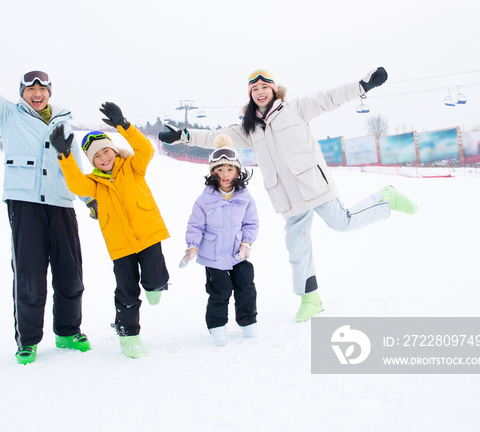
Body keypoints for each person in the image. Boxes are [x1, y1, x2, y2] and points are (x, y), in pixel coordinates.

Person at [159, 68, 417, 323]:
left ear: (274, 90)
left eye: (264, 88)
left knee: (342, 222)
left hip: (312, 184)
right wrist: (184, 135)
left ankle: (386, 199)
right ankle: (311, 299)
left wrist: (362, 85)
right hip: (286, 196)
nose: (260, 92)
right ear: (251, 96)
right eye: (255, 90)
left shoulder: (295, 109)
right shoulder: (249, 129)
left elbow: (329, 98)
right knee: (297, 248)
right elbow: (218, 137)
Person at [0, 23, 97, 364]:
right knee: (29, 273)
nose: (36, 93)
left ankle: (68, 331)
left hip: (61, 203)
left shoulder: (64, 121)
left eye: (42, 89)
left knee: (71, 270)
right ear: (22, 93)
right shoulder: (8, 115)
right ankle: (28, 340)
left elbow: (77, 165)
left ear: (50, 93)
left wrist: (89, 199)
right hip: (24, 204)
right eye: (30, 88)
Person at [50, 102, 170, 359]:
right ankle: (129, 334)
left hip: (148, 235)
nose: (104, 158)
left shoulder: (133, 168)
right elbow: (75, 184)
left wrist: (123, 125)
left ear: (114, 151)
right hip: (120, 245)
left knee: (157, 278)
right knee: (126, 291)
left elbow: (145, 148)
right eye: (97, 156)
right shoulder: (94, 183)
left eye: (107, 151)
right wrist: (65, 157)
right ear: (92, 162)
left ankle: (155, 286)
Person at [180, 135, 260, 346]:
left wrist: (246, 243)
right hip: (213, 256)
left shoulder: (245, 197)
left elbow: (251, 224)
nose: (225, 174)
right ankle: (217, 325)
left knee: (246, 286)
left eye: (230, 169)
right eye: (220, 169)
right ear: (212, 172)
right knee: (220, 290)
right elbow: (195, 225)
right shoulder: (205, 199)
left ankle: (247, 321)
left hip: (237, 254)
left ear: (238, 171)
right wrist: (192, 246)